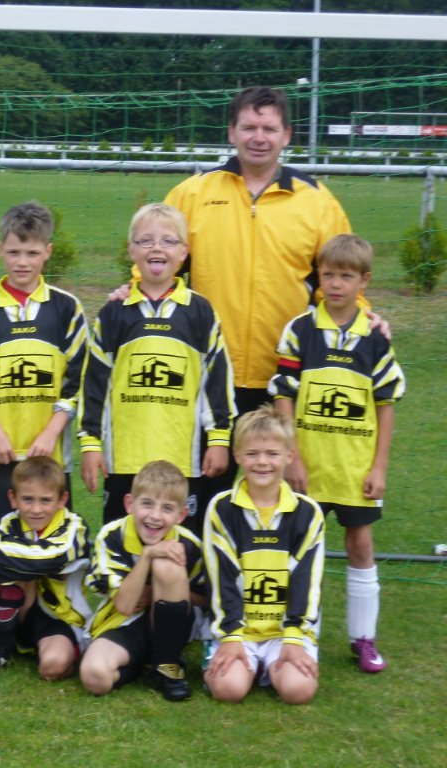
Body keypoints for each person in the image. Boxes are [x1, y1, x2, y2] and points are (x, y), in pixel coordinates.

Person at [162, 85, 353, 499]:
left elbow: (342, 276)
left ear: (287, 135)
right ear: (231, 132)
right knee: (201, 493)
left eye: (269, 128)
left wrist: (364, 319)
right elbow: (158, 262)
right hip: (209, 373)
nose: (259, 137)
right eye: (249, 127)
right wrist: (133, 287)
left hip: (285, 376)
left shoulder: (317, 202)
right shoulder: (193, 194)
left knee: (277, 497)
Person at [0, 201, 88, 669]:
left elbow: (77, 378)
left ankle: (45, 626)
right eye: (14, 252)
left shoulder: (67, 308)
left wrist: (53, 429)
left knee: (49, 546)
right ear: (0, 250)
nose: (22, 262)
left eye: (32, 252)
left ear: (47, 252)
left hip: (49, 459)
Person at [269, 234, 405, 674]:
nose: (336, 284)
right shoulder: (300, 330)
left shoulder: (376, 338)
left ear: (364, 280)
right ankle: (299, 634)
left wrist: (379, 466)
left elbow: (385, 405)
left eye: (346, 276)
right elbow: (283, 395)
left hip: (354, 468)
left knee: (360, 543)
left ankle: (363, 638)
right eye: (328, 275)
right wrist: (292, 457)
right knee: (299, 548)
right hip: (308, 467)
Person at [79, 203, 235, 534]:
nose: (157, 248)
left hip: (183, 460)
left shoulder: (200, 312)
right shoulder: (114, 313)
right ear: (131, 250)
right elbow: (95, 384)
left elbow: (217, 380)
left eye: (168, 241)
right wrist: (91, 444)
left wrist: (219, 438)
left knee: (178, 547)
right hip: (125, 459)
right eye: (146, 240)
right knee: (121, 543)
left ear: (184, 252)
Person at [203, 405, 325, 705]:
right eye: (252, 453)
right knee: (228, 689)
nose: (262, 462)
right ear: (237, 455)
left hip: (283, 632)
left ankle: (266, 664)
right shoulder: (222, 508)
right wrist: (231, 636)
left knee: (299, 691)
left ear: (289, 456)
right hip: (239, 629)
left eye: (272, 453)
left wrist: (294, 637)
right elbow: (220, 579)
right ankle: (234, 661)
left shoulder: (307, 513)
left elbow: (306, 582)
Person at [80, 460, 207, 701]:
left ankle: (168, 667)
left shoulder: (189, 544)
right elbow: (125, 605)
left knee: (167, 563)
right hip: (124, 622)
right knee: (94, 677)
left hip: (174, 625)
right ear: (130, 503)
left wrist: (160, 590)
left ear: (181, 515)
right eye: (147, 504)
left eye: (167, 508)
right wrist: (147, 555)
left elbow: (205, 598)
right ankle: (142, 664)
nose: (155, 516)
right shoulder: (111, 536)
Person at [0, 456, 91, 680]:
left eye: (45, 500)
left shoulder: (75, 526)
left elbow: (50, 557)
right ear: (13, 498)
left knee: (52, 667)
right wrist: (8, 556)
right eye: (27, 499)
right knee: (7, 574)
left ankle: (69, 650)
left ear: (62, 499)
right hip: (23, 613)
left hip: (59, 618)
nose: (36, 509)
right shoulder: (10, 523)